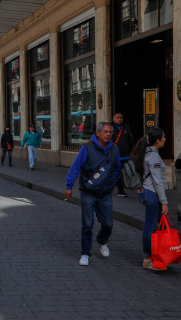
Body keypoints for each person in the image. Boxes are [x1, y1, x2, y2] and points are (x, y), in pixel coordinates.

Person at [64, 122, 121, 266]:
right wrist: (69, 186)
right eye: (105, 131)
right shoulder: (87, 147)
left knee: (108, 223)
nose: (108, 134)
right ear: (98, 133)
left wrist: (112, 182)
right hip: (88, 192)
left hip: (105, 193)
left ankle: (102, 241)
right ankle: (85, 253)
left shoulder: (114, 149)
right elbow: (76, 167)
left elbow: (117, 167)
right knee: (88, 224)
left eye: (110, 132)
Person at [131, 127, 169, 270]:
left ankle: (155, 255)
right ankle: (148, 258)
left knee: (152, 225)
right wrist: (164, 202)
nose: (165, 139)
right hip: (152, 193)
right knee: (150, 226)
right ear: (157, 140)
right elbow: (157, 181)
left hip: (147, 192)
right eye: (164, 137)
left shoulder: (146, 152)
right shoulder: (153, 156)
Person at [111, 112, 134, 197]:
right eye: (118, 118)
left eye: (121, 118)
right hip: (113, 156)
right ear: (113, 118)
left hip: (125, 156)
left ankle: (120, 189)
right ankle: (117, 188)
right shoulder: (109, 127)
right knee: (115, 173)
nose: (119, 119)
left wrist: (131, 152)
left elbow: (130, 141)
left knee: (123, 173)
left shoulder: (126, 127)